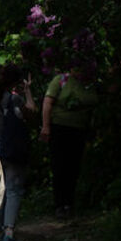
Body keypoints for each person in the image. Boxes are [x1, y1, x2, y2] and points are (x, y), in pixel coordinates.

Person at [0, 65, 36, 241]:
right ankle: (9, 232)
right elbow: (31, 111)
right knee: (13, 189)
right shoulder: (15, 99)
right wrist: (28, 90)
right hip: (11, 148)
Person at [40, 67, 97, 218]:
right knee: (60, 166)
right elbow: (47, 103)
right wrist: (46, 127)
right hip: (60, 128)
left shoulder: (88, 83)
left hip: (79, 130)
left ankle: (69, 203)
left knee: (74, 166)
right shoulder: (61, 80)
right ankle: (59, 204)